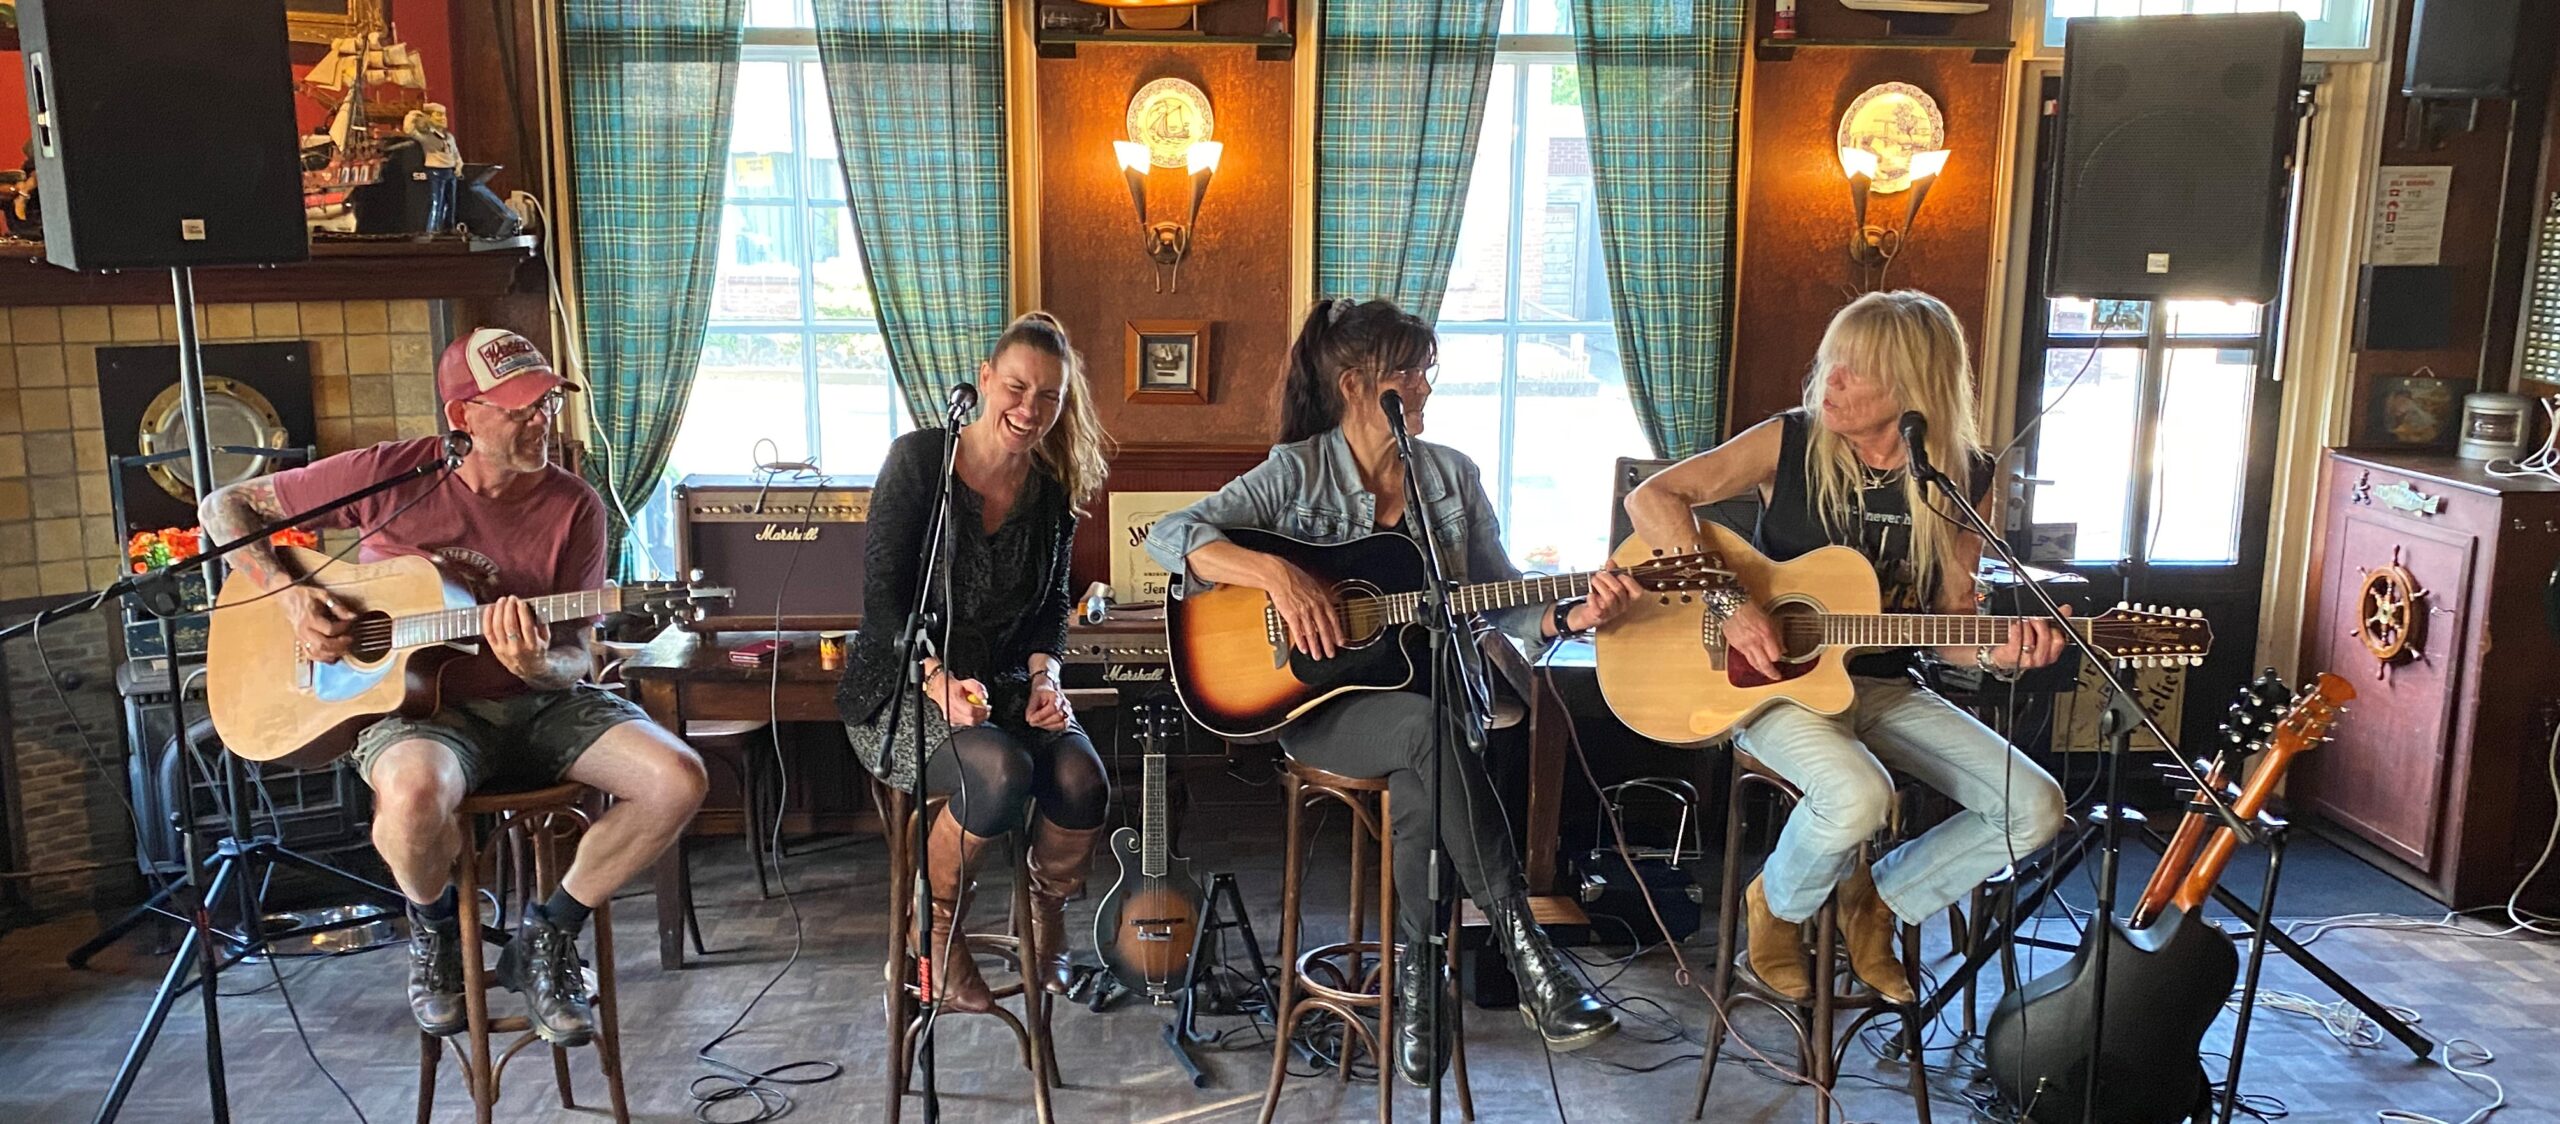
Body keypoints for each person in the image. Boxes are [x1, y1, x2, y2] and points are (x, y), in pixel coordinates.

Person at [1145, 297, 1629, 1086]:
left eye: (1427, 371)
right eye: (1409, 372)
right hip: (1319, 710)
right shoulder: (1298, 471)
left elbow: (1500, 595)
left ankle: (1420, 978)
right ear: (1355, 385)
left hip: (1429, 709)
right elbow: (1172, 535)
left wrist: (1573, 613)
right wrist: (1276, 575)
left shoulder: (1452, 477)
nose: (1426, 387)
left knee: (1421, 764)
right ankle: (1528, 953)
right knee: (1423, 734)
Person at [199, 329, 708, 1045]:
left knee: (677, 780)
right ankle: (435, 926)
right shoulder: (391, 473)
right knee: (410, 797)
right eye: (519, 409)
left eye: (546, 404)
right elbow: (224, 507)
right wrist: (287, 595)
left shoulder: (575, 506)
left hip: (540, 704)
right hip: (418, 713)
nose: (541, 421)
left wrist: (537, 667)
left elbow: (578, 654)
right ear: (462, 416)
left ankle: (548, 935)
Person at [1622, 290, 2067, 1004]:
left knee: (2036, 807)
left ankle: (1879, 901)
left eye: (1855, 369)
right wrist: (1731, 604)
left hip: (1885, 687)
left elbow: (1951, 625)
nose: (1830, 381)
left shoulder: (1962, 478)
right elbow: (1652, 498)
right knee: (1861, 794)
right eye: (1832, 362)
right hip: (1771, 685)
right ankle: (1775, 906)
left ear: (1911, 384)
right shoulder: (1789, 441)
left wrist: (1998, 654)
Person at [836, 312, 1113, 1011]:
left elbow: (1052, 605)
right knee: (999, 771)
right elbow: (883, 604)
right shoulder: (918, 463)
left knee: (1083, 779)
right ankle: (932, 929)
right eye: (1017, 388)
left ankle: (1045, 915)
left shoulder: (1052, 487)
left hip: (1006, 684)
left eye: (1048, 397)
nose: (1030, 409)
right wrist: (937, 683)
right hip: (901, 686)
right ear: (986, 380)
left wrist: (1048, 679)